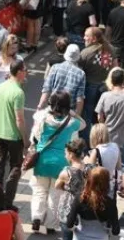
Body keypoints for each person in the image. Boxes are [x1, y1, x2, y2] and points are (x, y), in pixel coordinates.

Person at [30, 92, 84, 233]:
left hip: (42, 159)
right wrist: (72, 112)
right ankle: (50, 225)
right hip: (61, 163)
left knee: (39, 191)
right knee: (55, 195)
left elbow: (35, 134)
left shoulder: (43, 117)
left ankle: (36, 217)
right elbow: (83, 124)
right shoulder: (72, 123)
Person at [96, 68, 124, 190]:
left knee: (105, 161)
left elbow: (99, 115)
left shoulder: (105, 95)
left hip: (108, 135)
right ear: (123, 81)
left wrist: (103, 126)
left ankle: (104, 185)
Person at [0, 59, 29, 209]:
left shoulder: (2, 86)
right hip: (13, 136)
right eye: (25, 69)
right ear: (19, 72)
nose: (26, 72)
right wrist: (25, 140)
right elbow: (19, 119)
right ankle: (8, 202)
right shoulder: (18, 93)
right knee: (15, 168)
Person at [65, 167, 120, 240]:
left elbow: (69, 223)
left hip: (80, 236)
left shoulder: (80, 198)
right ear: (106, 182)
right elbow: (116, 231)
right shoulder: (110, 202)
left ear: (89, 180)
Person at [79, 27, 113, 137]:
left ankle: (86, 141)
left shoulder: (85, 53)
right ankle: (100, 138)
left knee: (87, 115)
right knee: (101, 116)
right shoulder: (111, 49)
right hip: (105, 87)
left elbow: (80, 72)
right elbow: (115, 68)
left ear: (93, 39)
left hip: (90, 88)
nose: (84, 37)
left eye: (86, 35)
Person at [56, 138, 90, 240]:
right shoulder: (90, 168)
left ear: (71, 154)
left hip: (68, 210)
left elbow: (57, 186)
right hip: (85, 209)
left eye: (66, 153)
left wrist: (66, 187)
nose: (65, 155)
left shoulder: (66, 172)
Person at [38, 44, 86, 115]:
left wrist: (40, 106)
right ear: (78, 57)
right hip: (69, 111)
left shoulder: (55, 67)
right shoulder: (81, 74)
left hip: (53, 108)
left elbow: (46, 89)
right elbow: (79, 99)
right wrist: (77, 116)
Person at [84, 124, 120, 198]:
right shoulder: (115, 146)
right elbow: (118, 166)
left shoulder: (96, 151)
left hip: (99, 185)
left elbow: (89, 172)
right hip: (111, 184)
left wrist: (86, 161)